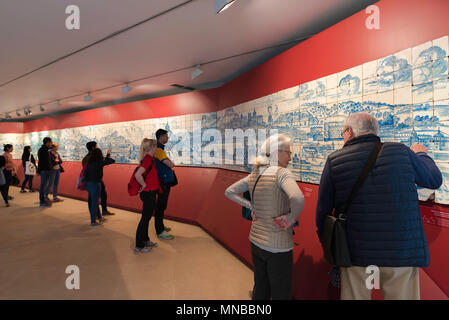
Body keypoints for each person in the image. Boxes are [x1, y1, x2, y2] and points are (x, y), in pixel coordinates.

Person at [315, 112, 443, 300]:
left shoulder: (335, 160)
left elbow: (323, 212)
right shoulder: (401, 151)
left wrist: (327, 242)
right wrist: (421, 153)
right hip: (400, 252)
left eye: (343, 132)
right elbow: (433, 179)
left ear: (349, 132)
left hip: (356, 253)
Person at [225, 134, 305, 300]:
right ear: (276, 152)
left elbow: (230, 192)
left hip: (256, 241)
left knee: (261, 285)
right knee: (280, 291)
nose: (290, 157)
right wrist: (290, 219)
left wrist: (251, 206)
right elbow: (297, 198)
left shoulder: (256, 173)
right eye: (288, 153)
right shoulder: (282, 173)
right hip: (277, 245)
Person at [133, 138, 162, 254]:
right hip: (148, 193)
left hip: (151, 192)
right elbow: (138, 174)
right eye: (156, 146)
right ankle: (139, 245)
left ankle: (145, 240)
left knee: (147, 218)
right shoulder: (148, 160)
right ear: (151, 148)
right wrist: (144, 185)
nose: (157, 148)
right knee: (145, 219)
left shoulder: (150, 159)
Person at [82, 141, 115, 216]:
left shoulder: (87, 158)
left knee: (100, 195)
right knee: (93, 198)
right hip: (94, 180)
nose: (97, 147)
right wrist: (108, 156)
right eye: (96, 146)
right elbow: (104, 162)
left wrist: (107, 155)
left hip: (93, 180)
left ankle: (101, 212)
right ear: (93, 148)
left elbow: (103, 162)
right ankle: (95, 215)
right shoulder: (92, 158)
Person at [154, 129, 175, 240]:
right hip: (163, 182)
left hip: (162, 181)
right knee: (161, 206)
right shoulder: (159, 150)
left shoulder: (159, 149)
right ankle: (160, 231)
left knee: (161, 206)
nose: (167, 138)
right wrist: (171, 163)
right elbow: (171, 164)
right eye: (166, 136)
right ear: (161, 137)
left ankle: (161, 226)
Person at [38, 137, 53, 208]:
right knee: (43, 186)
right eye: (50, 142)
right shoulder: (42, 150)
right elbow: (41, 162)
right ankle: (42, 201)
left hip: (46, 170)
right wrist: (39, 171)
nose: (51, 143)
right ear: (47, 142)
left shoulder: (46, 150)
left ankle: (43, 200)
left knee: (44, 185)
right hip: (44, 170)